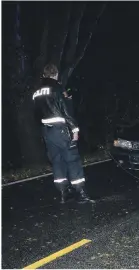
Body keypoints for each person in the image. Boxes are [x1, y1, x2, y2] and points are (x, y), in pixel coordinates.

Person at [33, 63, 93, 204]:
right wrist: (75, 129)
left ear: (44, 75)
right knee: (72, 160)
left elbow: (36, 114)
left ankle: (63, 193)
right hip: (61, 129)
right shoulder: (58, 88)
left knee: (57, 161)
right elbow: (66, 111)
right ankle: (81, 193)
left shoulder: (36, 92)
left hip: (46, 131)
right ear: (56, 74)